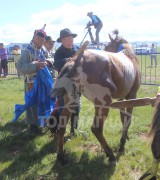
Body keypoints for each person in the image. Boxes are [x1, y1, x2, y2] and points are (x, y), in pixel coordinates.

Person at [17, 25, 48, 135]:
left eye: (43, 39)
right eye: (40, 39)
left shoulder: (43, 50)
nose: (42, 41)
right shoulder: (27, 51)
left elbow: (47, 61)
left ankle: (42, 122)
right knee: (32, 104)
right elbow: (20, 68)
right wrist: (35, 66)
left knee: (43, 102)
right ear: (35, 38)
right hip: (31, 83)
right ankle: (32, 125)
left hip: (43, 82)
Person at [54, 28, 80, 135]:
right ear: (63, 40)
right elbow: (57, 64)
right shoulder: (59, 52)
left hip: (77, 82)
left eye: (72, 38)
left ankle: (74, 130)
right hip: (63, 83)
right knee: (62, 107)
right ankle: (61, 130)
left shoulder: (77, 49)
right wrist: (66, 61)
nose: (71, 39)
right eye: (69, 38)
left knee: (76, 107)